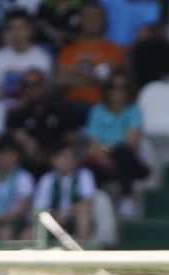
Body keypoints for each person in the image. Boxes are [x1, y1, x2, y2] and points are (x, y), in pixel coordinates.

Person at [83, 73, 150, 216]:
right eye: (113, 87)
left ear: (128, 90)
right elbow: (93, 146)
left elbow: (132, 142)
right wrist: (104, 157)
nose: (117, 91)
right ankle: (92, 207)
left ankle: (127, 199)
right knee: (88, 167)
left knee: (123, 153)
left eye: (122, 87)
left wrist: (108, 149)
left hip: (129, 161)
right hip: (103, 159)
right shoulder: (97, 111)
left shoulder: (134, 111)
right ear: (107, 89)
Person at [56, 1, 126, 118]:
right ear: (81, 20)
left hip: (105, 109)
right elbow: (62, 80)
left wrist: (77, 74)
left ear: (104, 19)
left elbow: (114, 81)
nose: (92, 20)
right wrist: (99, 74)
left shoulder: (116, 51)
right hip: (72, 109)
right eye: (87, 16)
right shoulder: (69, 50)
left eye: (96, 15)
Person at [0, 135, 36, 244]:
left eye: (12, 154)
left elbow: (22, 209)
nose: (7, 158)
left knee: (5, 233)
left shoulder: (24, 178)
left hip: (14, 221)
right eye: (3, 153)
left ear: (17, 156)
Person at [34, 140, 96, 244]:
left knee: (84, 217)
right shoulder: (47, 179)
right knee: (32, 229)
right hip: (54, 220)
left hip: (75, 217)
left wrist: (66, 213)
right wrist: (55, 216)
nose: (66, 160)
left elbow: (87, 202)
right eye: (62, 157)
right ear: (53, 160)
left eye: (69, 156)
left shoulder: (84, 175)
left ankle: (82, 249)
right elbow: (40, 207)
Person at [0, 8, 54, 102]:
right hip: (5, 108)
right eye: (12, 28)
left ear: (30, 30)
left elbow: (46, 91)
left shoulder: (43, 58)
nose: (16, 32)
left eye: (20, 28)